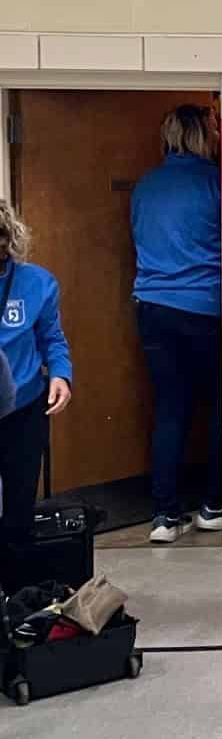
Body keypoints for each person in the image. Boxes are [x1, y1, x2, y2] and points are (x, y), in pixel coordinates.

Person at [130, 104, 222, 544]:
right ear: (205, 136)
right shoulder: (217, 182)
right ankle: (213, 505)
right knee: (220, 407)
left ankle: (164, 517)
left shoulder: (146, 186)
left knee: (171, 407)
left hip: (153, 306)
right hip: (206, 306)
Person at [0, 201, 72, 595]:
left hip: (24, 406)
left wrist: (61, 375)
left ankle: (18, 599)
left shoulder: (37, 283)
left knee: (19, 510)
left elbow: (51, 339)